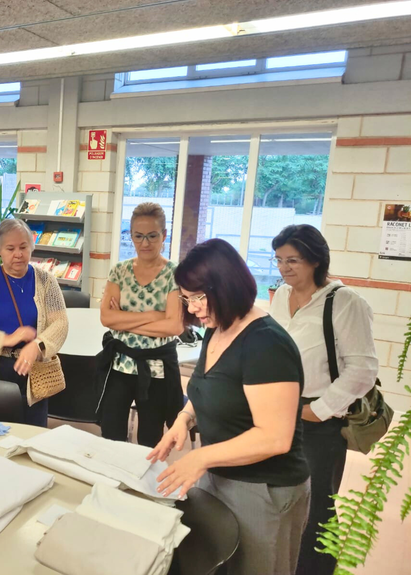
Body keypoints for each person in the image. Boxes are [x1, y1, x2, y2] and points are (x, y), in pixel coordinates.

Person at [149, 238, 311, 575]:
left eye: (198, 297)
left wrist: (200, 457)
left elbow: (275, 437)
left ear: (226, 286)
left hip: (264, 489)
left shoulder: (266, 344)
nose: (193, 308)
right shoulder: (218, 326)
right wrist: (184, 418)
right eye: (186, 298)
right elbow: (212, 387)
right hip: (219, 474)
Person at [268, 224, 378, 575]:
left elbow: (363, 369)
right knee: (279, 498)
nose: (284, 268)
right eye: (279, 260)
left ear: (316, 260)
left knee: (316, 509)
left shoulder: (345, 302)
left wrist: (318, 410)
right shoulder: (280, 296)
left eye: (293, 260)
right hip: (278, 411)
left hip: (319, 420)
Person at [0, 218, 68, 427]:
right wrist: (7, 339)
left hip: (34, 370)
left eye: (23, 247)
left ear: (31, 247)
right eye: (10, 248)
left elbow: (60, 323)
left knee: (33, 432)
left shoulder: (46, 281)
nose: (18, 254)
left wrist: (38, 345)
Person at [98, 202, 183, 447]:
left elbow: (174, 327)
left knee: (150, 438)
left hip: (157, 368)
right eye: (138, 236)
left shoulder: (174, 273)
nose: (145, 243)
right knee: (110, 433)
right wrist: (155, 315)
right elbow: (106, 319)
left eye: (152, 236)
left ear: (164, 235)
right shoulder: (119, 271)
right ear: (131, 236)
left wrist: (123, 321)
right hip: (120, 364)